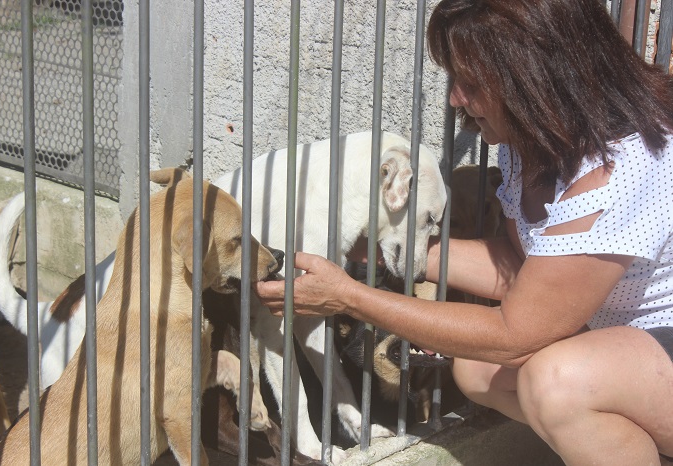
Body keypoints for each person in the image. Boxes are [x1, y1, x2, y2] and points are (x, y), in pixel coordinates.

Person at [254, 0, 673, 464]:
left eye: (470, 83)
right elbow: (525, 269)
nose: (454, 97)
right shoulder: (525, 145)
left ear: (533, 74)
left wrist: (349, 296)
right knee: (476, 370)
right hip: (631, 345)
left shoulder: (622, 168)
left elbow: (518, 331)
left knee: (556, 382)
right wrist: (388, 254)